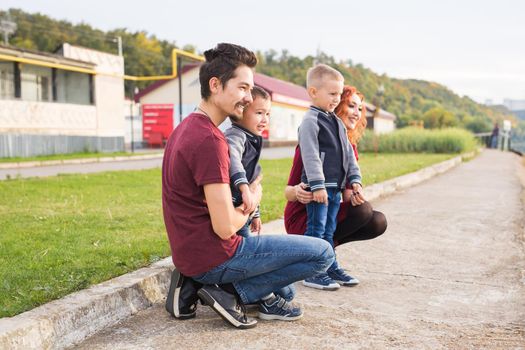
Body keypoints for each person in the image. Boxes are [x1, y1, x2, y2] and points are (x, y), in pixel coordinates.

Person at [162, 43, 335, 329]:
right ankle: (228, 293)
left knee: (286, 290)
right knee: (323, 253)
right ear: (215, 85)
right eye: (242, 88)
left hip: (191, 255)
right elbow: (225, 227)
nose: (247, 97)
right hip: (216, 257)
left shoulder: (185, 127)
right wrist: (253, 198)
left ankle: (195, 284)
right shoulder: (210, 140)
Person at [284, 85, 387, 286]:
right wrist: (297, 192)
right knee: (361, 212)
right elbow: (288, 192)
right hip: (304, 215)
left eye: (360, 108)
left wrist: (356, 190)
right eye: (351, 106)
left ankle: (328, 261)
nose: (357, 113)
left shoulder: (350, 148)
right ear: (336, 105)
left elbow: (347, 199)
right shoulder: (313, 141)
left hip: (328, 207)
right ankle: (313, 264)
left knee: (375, 220)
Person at [298, 65, 362, 291]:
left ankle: (329, 265)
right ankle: (312, 272)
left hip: (334, 189)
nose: (337, 99)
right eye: (332, 94)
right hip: (319, 190)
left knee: (329, 231)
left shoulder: (335, 121)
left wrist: (354, 179)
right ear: (314, 92)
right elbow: (310, 156)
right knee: (316, 230)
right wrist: (317, 185)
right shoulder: (310, 121)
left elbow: (348, 154)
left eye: (339, 93)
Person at [224, 86, 270, 237]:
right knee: (239, 248)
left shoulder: (252, 139)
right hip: (231, 209)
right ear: (240, 111)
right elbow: (234, 160)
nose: (265, 119)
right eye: (259, 113)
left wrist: (255, 214)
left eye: (267, 114)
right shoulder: (236, 135)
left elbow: (253, 181)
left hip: (243, 209)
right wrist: (244, 188)